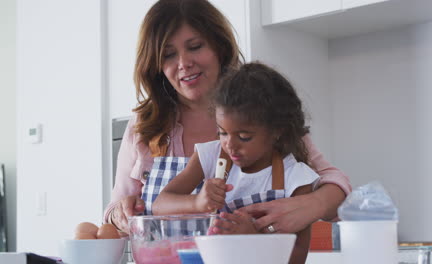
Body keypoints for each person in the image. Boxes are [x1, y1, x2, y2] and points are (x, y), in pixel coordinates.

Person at [103, 0, 351, 237]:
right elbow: (113, 212)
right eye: (168, 55)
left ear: (219, 47)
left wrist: (314, 204)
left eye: (195, 46)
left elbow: (335, 182)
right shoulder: (144, 126)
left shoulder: (261, 109)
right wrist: (120, 214)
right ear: (156, 65)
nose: (184, 63)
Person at [154, 62, 319, 263]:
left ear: (277, 131)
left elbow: (297, 257)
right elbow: (160, 205)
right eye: (222, 132)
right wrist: (197, 202)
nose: (229, 145)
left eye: (244, 136)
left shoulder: (295, 179)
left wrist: (254, 238)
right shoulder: (211, 156)